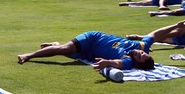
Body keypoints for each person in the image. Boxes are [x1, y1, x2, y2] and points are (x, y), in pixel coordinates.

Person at [17, 30, 155, 71]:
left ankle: (55, 44)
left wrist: (107, 62)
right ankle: (28, 55)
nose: (139, 53)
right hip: (93, 38)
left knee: (66, 52)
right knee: (66, 49)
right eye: (142, 53)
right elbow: (155, 35)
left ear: (137, 64)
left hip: (91, 53)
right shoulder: (140, 46)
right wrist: (176, 25)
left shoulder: (128, 61)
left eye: (139, 57)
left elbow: (119, 63)